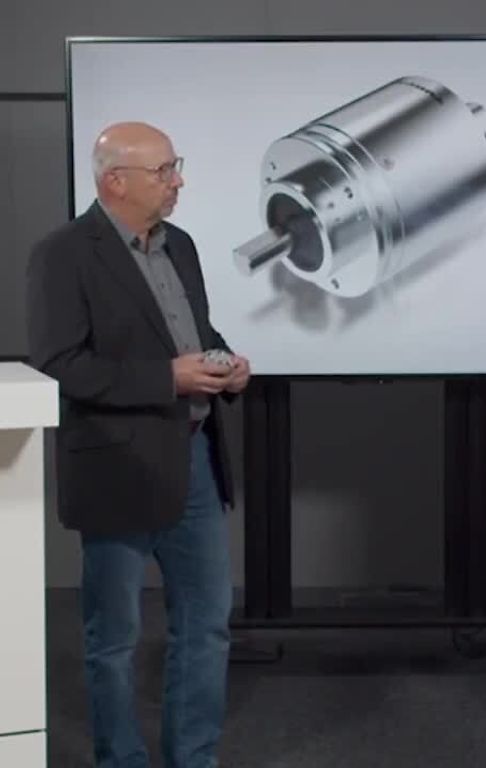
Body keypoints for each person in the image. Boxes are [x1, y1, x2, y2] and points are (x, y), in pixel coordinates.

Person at [26, 121, 250, 768]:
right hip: (117, 468)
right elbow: (61, 363)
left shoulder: (181, 246)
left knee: (206, 628)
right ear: (115, 181)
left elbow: (194, 333)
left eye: (175, 166)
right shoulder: (63, 254)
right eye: (164, 170)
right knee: (115, 640)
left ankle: (193, 759)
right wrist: (167, 379)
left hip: (196, 461)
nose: (178, 181)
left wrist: (225, 364)